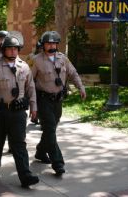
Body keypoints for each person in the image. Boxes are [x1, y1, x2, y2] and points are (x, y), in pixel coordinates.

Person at [0, 34, 39, 188]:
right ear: (3, 50)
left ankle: (25, 176)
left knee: (19, 144)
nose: (13, 51)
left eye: (15, 49)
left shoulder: (24, 66)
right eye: (9, 49)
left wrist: (34, 107)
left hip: (18, 112)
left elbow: (31, 88)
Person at [31, 31, 86, 176]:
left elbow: (73, 73)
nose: (51, 45)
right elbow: (29, 81)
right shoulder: (36, 60)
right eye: (48, 43)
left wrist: (81, 87)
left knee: (51, 129)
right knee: (49, 129)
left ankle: (40, 152)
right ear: (43, 45)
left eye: (54, 43)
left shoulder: (63, 59)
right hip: (43, 100)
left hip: (58, 100)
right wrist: (30, 102)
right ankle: (58, 163)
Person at [25, 38, 43, 124]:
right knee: (33, 99)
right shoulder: (31, 57)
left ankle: (38, 116)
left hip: (42, 82)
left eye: (42, 48)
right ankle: (34, 116)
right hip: (33, 81)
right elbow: (26, 67)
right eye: (39, 48)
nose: (41, 50)